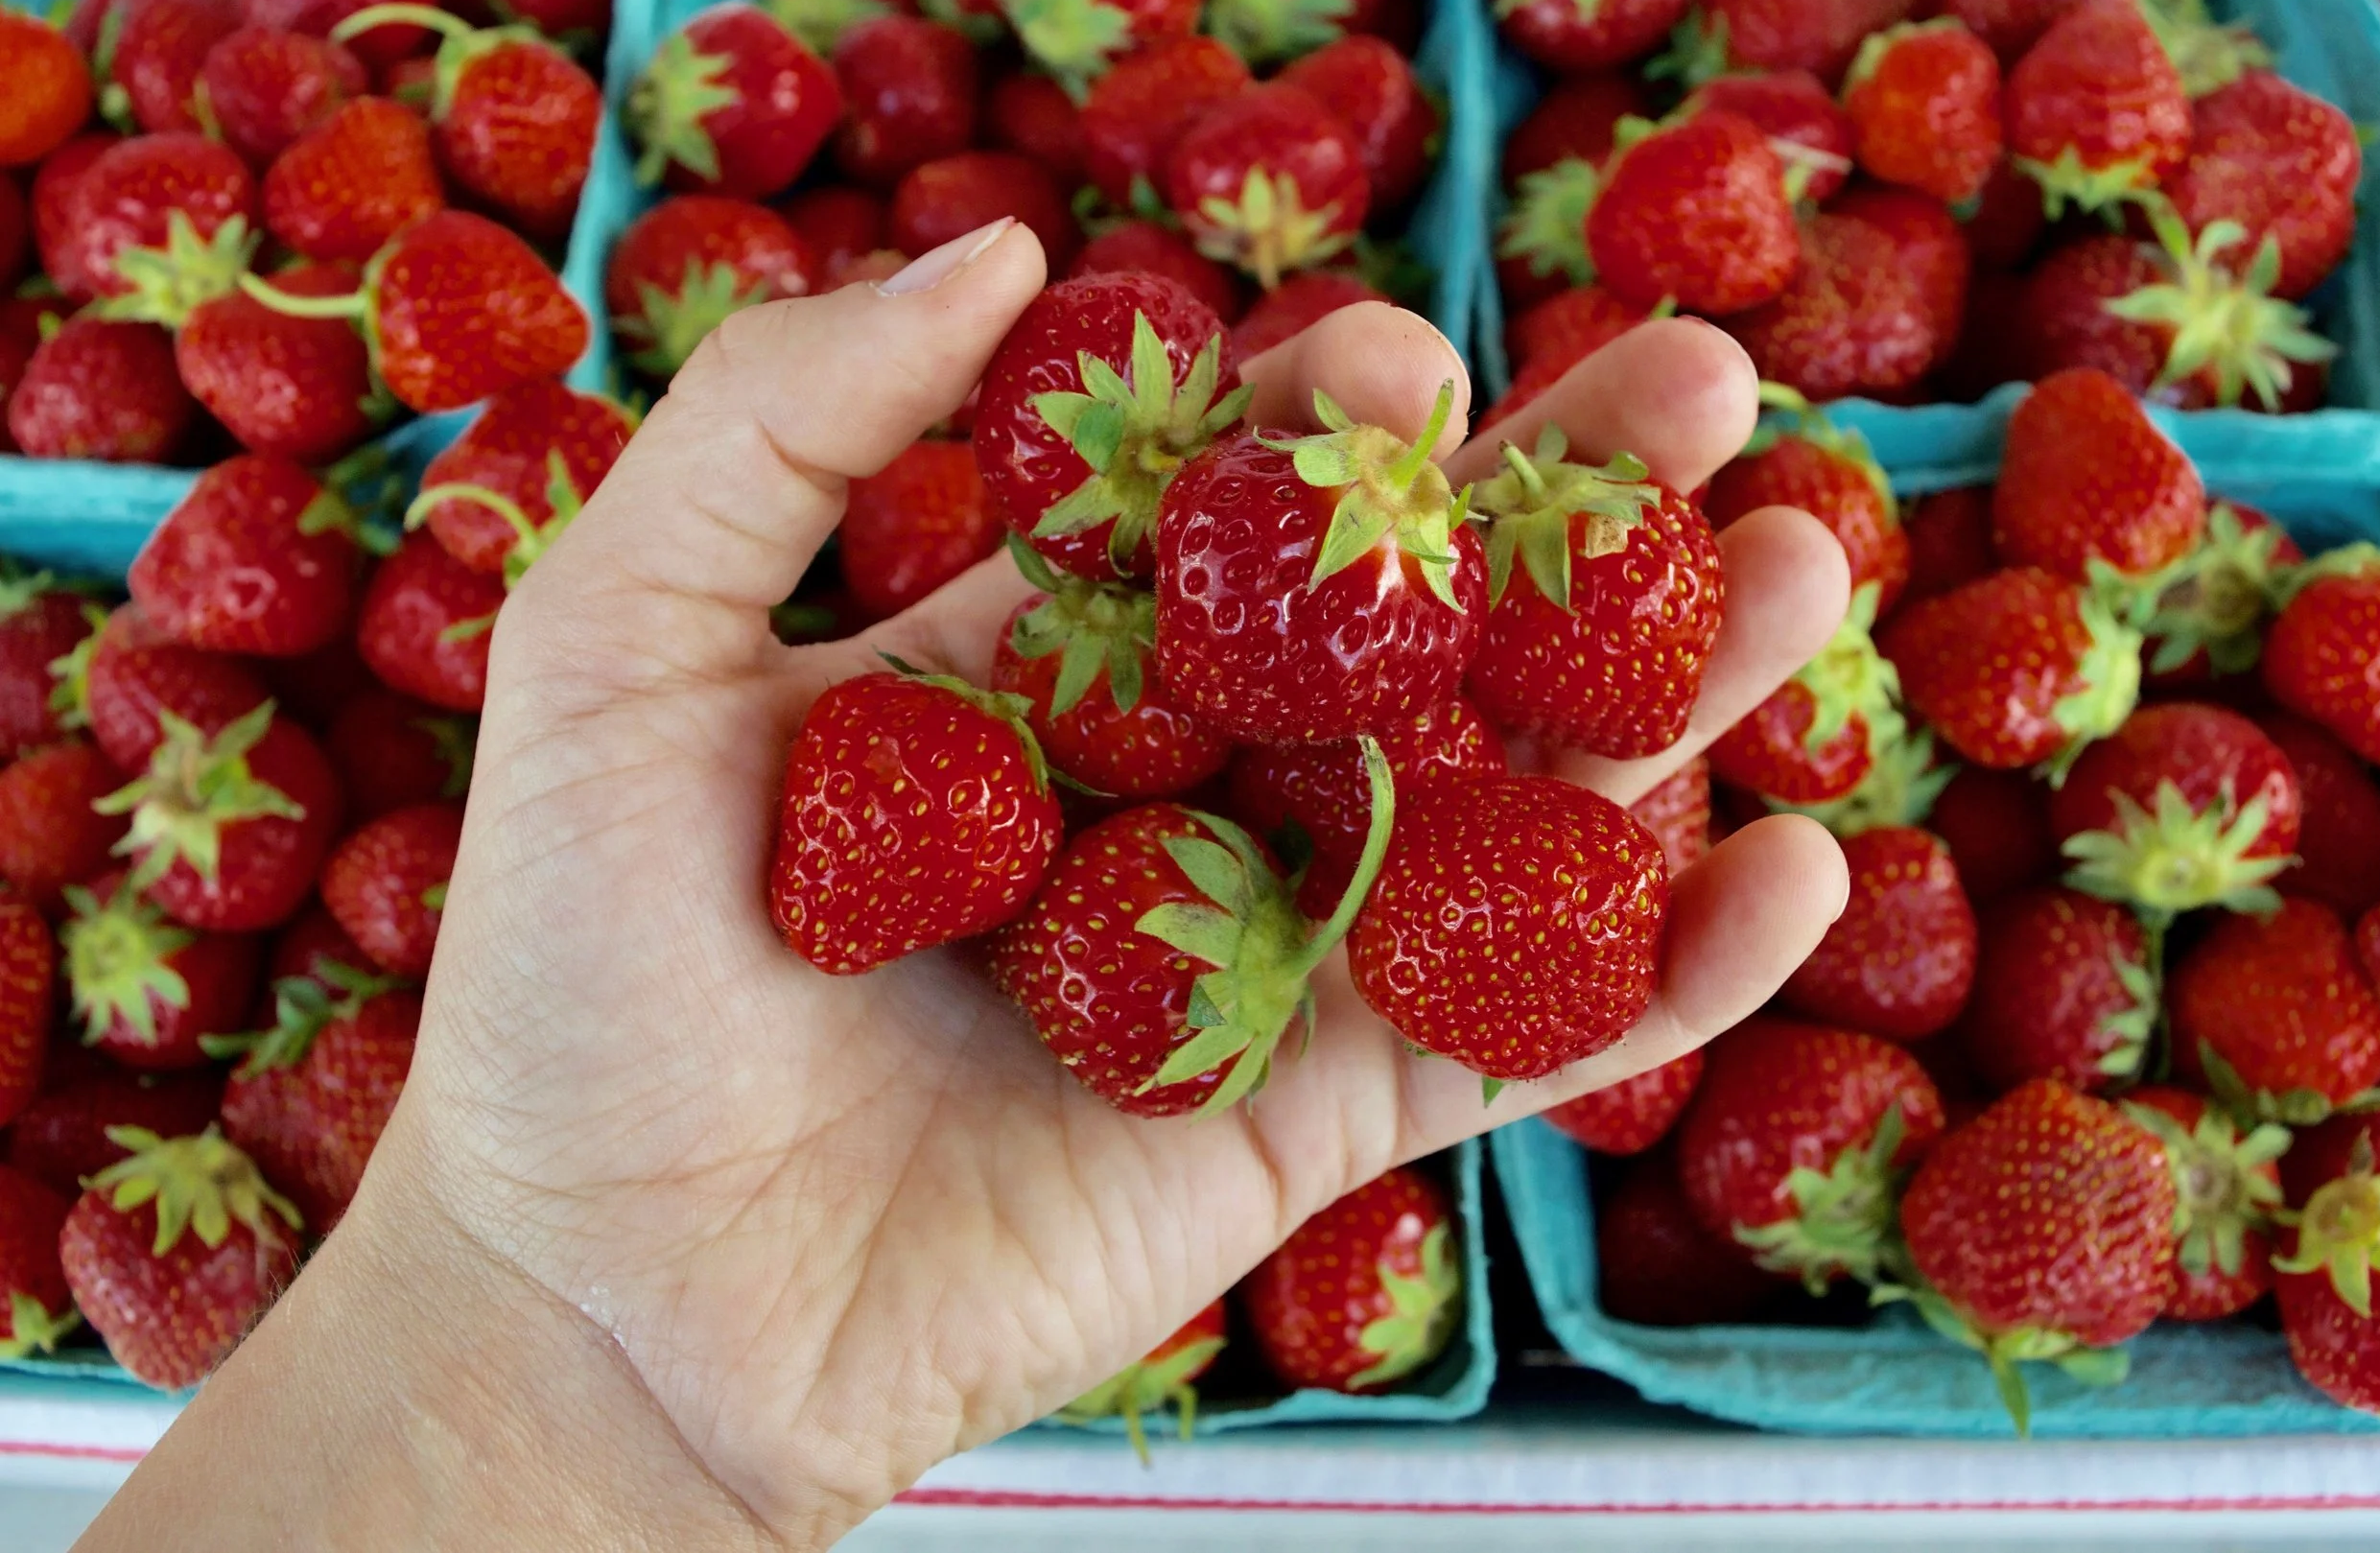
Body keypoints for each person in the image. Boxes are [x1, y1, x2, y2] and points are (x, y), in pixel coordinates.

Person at [76, 220, 1850, 1551]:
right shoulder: (1168, 679)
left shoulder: (1266, 674)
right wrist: (561, 1334)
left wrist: (571, 1374)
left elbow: (1284, 686)